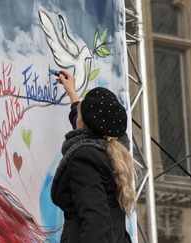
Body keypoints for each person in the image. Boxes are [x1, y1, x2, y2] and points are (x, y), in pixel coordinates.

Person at [51, 70, 134, 242]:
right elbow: (87, 125)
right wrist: (72, 93)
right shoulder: (111, 151)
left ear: (83, 123)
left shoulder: (85, 159)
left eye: (80, 114)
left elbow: (96, 224)